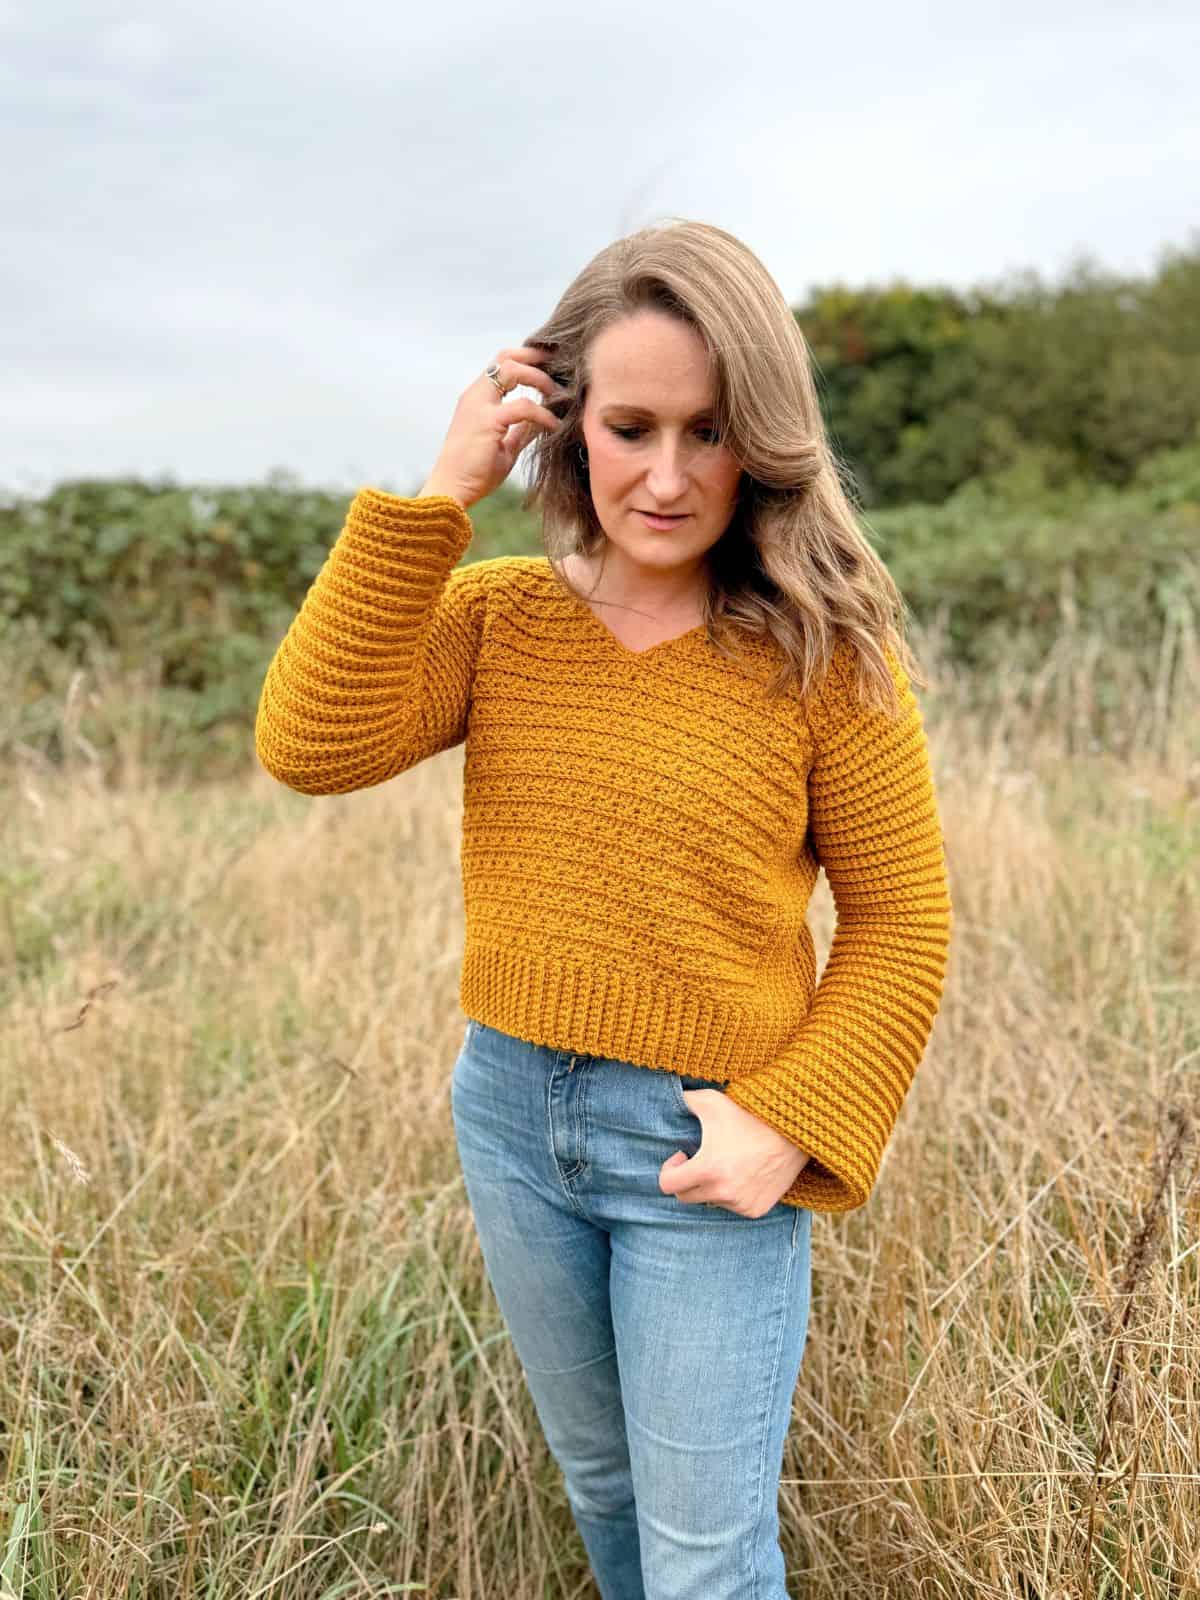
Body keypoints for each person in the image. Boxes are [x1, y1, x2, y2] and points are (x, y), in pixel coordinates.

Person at [254, 217, 953, 1599]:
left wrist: (794, 1121)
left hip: (707, 1141)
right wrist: (441, 494)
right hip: (513, 1117)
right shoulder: (501, 619)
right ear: (565, 425)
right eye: (632, 426)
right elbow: (307, 742)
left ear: (763, 437)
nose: (671, 474)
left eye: (711, 430)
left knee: (705, 1561)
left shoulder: (824, 653)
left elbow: (901, 922)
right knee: (611, 1497)